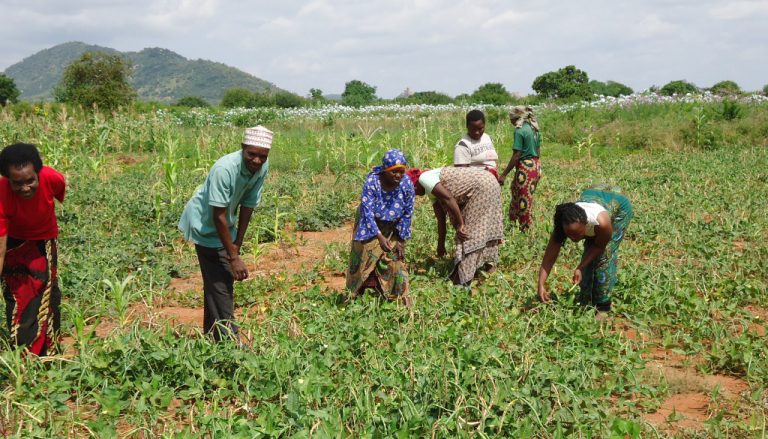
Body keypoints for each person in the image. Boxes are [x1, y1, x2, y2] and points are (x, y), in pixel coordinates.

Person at [178, 126, 272, 341]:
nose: (256, 161)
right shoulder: (224, 168)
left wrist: (237, 242)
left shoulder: (261, 167)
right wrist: (233, 256)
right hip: (205, 223)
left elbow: (248, 205)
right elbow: (218, 214)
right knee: (221, 284)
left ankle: (213, 337)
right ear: (243, 148)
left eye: (262, 156)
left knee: (216, 282)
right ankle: (231, 343)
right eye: (252, 154)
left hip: (224, 225)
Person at [0, 143, 65, 355]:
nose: (25, 187)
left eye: (30, 180)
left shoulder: (51, 178)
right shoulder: (1, 193)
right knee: (18, 293)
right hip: (14, 242)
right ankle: (25, 351)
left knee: (45, 288)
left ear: (38, 173)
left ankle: (49, 348)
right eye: (17, 183)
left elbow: (60, 189)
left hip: (43, 239)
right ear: (8, 179)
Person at [537, 184, 633, 313]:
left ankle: (604, 306)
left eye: (577, 234)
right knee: (589, 251)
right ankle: (586, 297)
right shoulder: (563, 224)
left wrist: (580, 267)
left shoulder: (602, 224)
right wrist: (541, 284)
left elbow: (599, 246)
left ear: (586, 223)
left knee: (604, 256)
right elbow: (549, 257)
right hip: (593, 193)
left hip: (620, 203)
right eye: (569, 234)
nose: (573, 238)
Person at [407, 166, 503, 287]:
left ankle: (463, 280)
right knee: (484, 226)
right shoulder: (431, 189)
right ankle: (487, 267)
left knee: (468, 233)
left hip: (481, 186)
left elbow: (448, 198)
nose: (415, 194)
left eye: (412, 190)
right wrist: (440, 246)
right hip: (490, 181)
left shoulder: (424, 178)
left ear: (414, 184)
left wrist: (461, 223)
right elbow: (441, 220)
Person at [346, 149, 415, 303]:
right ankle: (355, 297)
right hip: (369, 223)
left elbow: (407, 213)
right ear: (385, 170)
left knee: (395, 260)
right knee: (364, 259)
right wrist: (379, 237)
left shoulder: (407, 185)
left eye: (401, 171)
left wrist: (401, 241)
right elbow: (367, 212)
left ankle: (397, 299)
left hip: (393, 225)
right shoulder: (372, 182)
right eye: (393, 172)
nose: (398, 175)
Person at [499, 106, 542, 232]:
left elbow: (517, 155)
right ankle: (514, 225)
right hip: (536, 166)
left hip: (525, 168)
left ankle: (525, 230)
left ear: (516, 118)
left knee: (524, 201)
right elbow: (538, 151)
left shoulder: (519, 131)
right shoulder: (534, 129)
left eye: (511, 119)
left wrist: (504, 174)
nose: (510, 122)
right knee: (517, 193)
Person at [453, 110, 500, 180]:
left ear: (484, 125)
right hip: (477, 183)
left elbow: (492, 161)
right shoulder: (463, 145)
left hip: (493, 180)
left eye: (480, 129)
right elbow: (461, 174)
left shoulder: (487, 137)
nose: (477, 132)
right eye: (473, 129)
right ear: (467, 126)